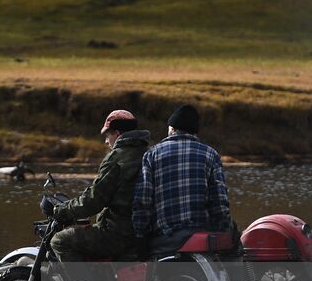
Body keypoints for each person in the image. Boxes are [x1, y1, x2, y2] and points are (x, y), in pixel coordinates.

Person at [41, 109, 150, 261]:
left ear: (117, 134)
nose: (106, 141)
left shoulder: (116, 158)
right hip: (144, 232)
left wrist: (61, 210)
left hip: (118, 234)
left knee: (59, 241)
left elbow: (94, 200)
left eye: (107, 135)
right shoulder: (149, 153)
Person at [132, 103, 232, 258]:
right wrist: (223, 231)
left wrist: (140, 235)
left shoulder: (152, 155)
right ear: (195, 131)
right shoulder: (211, 154)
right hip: (201, 238)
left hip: (165, 239)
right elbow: (219, 202)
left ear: (172, 128)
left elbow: (143, 201)